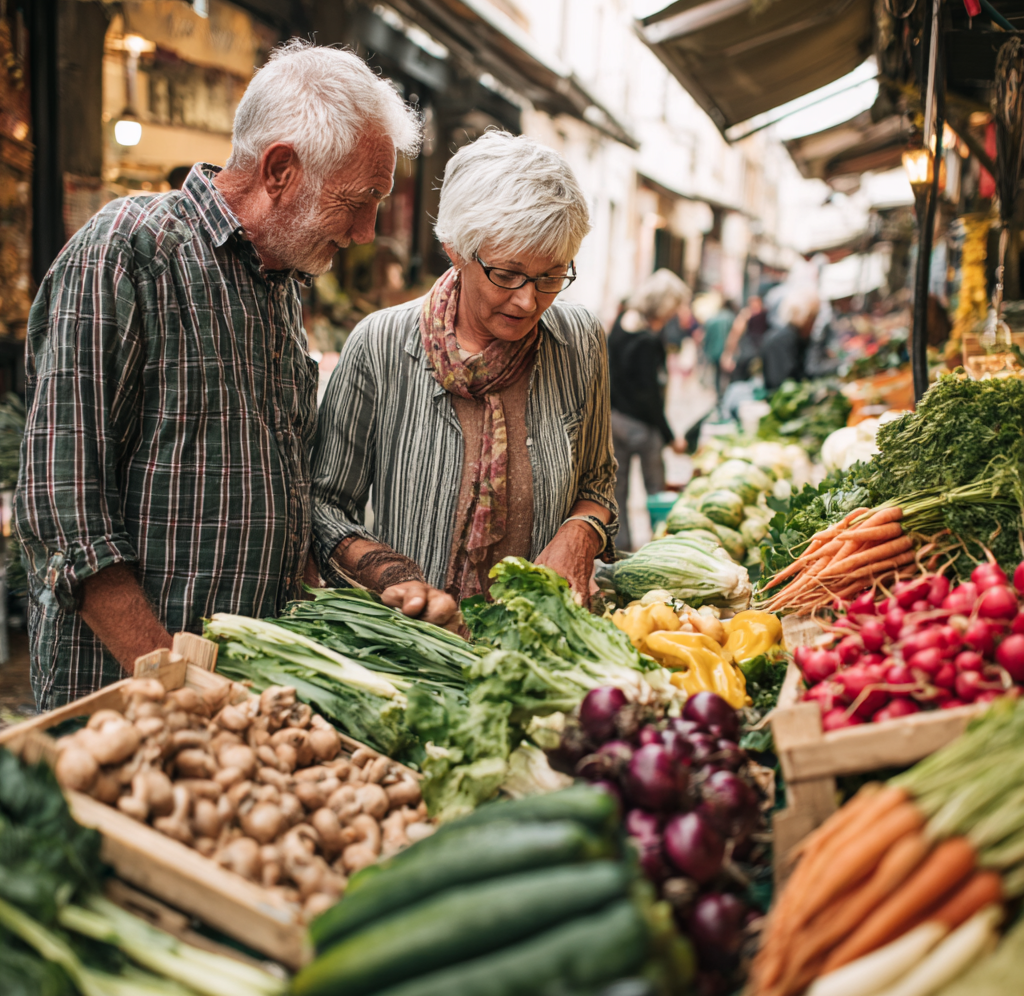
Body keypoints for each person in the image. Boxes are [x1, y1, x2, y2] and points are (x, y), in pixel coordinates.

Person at [14, 41, 420, 709]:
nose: (367, 231)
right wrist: (177, 682)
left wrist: (370, 569)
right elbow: (64, 511)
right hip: (126, 697)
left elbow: (285, 486)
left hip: (237, 696)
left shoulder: (281, 285)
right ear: (281, 170)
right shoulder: (128, 250)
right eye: (360, 200)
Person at [311, 131, 617, 624]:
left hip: (542, 640)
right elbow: (323, 505)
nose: (527, 301)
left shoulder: (579, 341)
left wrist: (580, 533)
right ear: (456, 250)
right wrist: (393, 577)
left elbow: (598, 480)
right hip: (418, 645)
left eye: (551, 277)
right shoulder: (381, 344)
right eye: (508, 274)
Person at [607, 269, 689, 551]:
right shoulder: (648, 340)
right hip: (642, 427)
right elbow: (650, 397)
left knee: (617, 493)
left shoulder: (621, 323)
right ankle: (661, 548)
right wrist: (670, 436)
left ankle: (620, 551)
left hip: (614, 419)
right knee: (656, 491)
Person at [761, 290, 820, 391]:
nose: (814, 325)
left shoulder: (797, 338)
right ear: (806, 318)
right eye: (813, 319)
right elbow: (781, 384)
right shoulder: (783, 341)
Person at [721, 293, 769, 384]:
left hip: (759, 354)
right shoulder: (746, 315)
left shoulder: (765, 315)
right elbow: (735, 334)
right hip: (747, 355)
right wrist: (728, 354)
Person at [702, 298, 736, 398]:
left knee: (716, 374)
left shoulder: (712, 318)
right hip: (726, 350)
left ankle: (718, 394)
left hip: (713, 350)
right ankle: (726, 394)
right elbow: (733, 335)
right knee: (728, 374)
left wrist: (706, 350)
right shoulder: (730, 317)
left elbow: (706, 337)